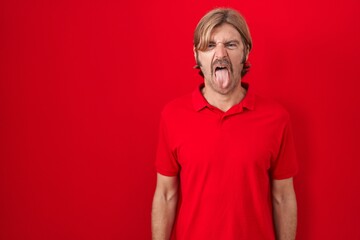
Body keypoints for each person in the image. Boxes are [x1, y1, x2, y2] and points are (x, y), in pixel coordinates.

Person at [151, 7, 298, 240]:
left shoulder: (277, 118)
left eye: (230, 45)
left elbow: (283, 197)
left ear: (246, 52)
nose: (220, 54)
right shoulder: (172, 116)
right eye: (210, 46)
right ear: (196, 55)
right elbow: (166, 194)